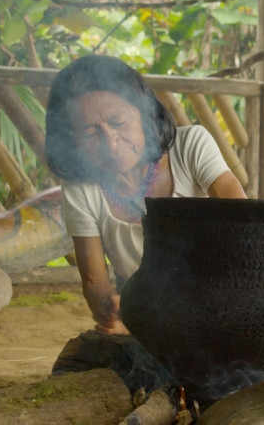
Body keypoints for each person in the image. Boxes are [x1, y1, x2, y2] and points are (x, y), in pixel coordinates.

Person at [45, 55, 246, 336]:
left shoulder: (191, 146)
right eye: (91, 133)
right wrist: (108, 306)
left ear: (145, 112)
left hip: (221, 302)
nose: (110, 142)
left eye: (118, 122)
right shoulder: (81, 187)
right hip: (145, 315)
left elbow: (247, 224)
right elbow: (94, 281)